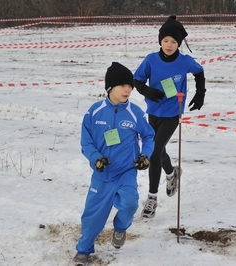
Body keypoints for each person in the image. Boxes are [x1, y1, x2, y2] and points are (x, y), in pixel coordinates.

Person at [74, 62, 155, 265]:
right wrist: (95, 159)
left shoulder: (135, 112)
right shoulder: (95, 112)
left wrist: (145, 155)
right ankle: (84, 250)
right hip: (102, 173)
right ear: (110, 88)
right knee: (92, 216)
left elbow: (148, 136)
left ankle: (120, 228)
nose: (127, 89)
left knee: (130, 203)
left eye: (129, 85)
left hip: (126, 172)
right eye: (122, 85)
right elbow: (86, 141)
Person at [133, 15, 206, 218]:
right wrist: (146, 91)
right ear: (160, 41)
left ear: (179, 43)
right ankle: (172, 173)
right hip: (153, 112)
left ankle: (152, 199)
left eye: (174, 41)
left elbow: (199, 72)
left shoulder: (184, 62)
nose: (169, 45)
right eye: (165, 40)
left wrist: (201, 93)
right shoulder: (151, 60)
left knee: (154, 151)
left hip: (173, 113)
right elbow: (136, 80)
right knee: (159, 149)